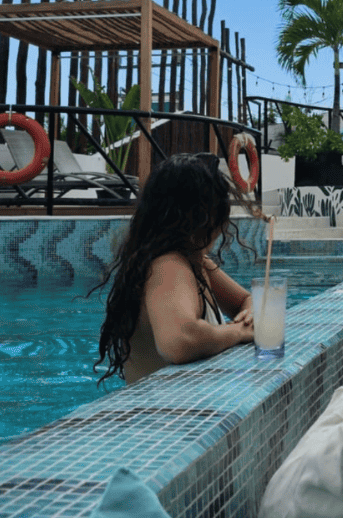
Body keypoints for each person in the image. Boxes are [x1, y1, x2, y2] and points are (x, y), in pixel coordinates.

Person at [94, 153, 257, 385]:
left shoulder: (195, 262)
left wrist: (249, 315)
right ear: (206, 217)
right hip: (157, 404)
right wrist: (239, 332)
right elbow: (179, 341)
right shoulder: (167, 266)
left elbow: (245, 300)